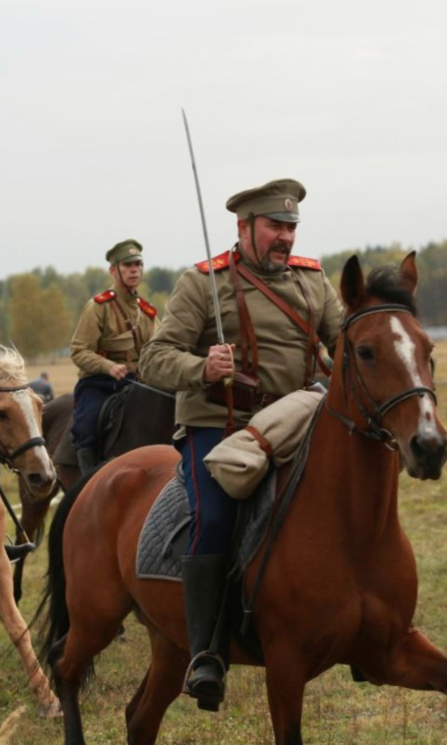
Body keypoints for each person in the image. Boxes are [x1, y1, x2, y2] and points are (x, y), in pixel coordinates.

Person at [139, 178, 343, 710]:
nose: (285, 237)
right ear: (244, 227)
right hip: (220, 426)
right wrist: (202, 367)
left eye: (291, 227)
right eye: (275, 226)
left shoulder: (313, 281)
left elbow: (345, 343)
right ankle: (206, 653)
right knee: (217, 514)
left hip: (296, 420)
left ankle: (362, 626)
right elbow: (154, 359)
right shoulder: (202, 283)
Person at [69, 239, 159, 473]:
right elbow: (79, 350)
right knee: (87, 426)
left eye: (138, 264)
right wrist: (108, 366)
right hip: (100, 384)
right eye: (127, 265)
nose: (134, 270)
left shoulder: (147, 313)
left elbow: (159, 350)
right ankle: (88, 481)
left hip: (138, 383)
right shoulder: (98, 307)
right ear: (113, 270)